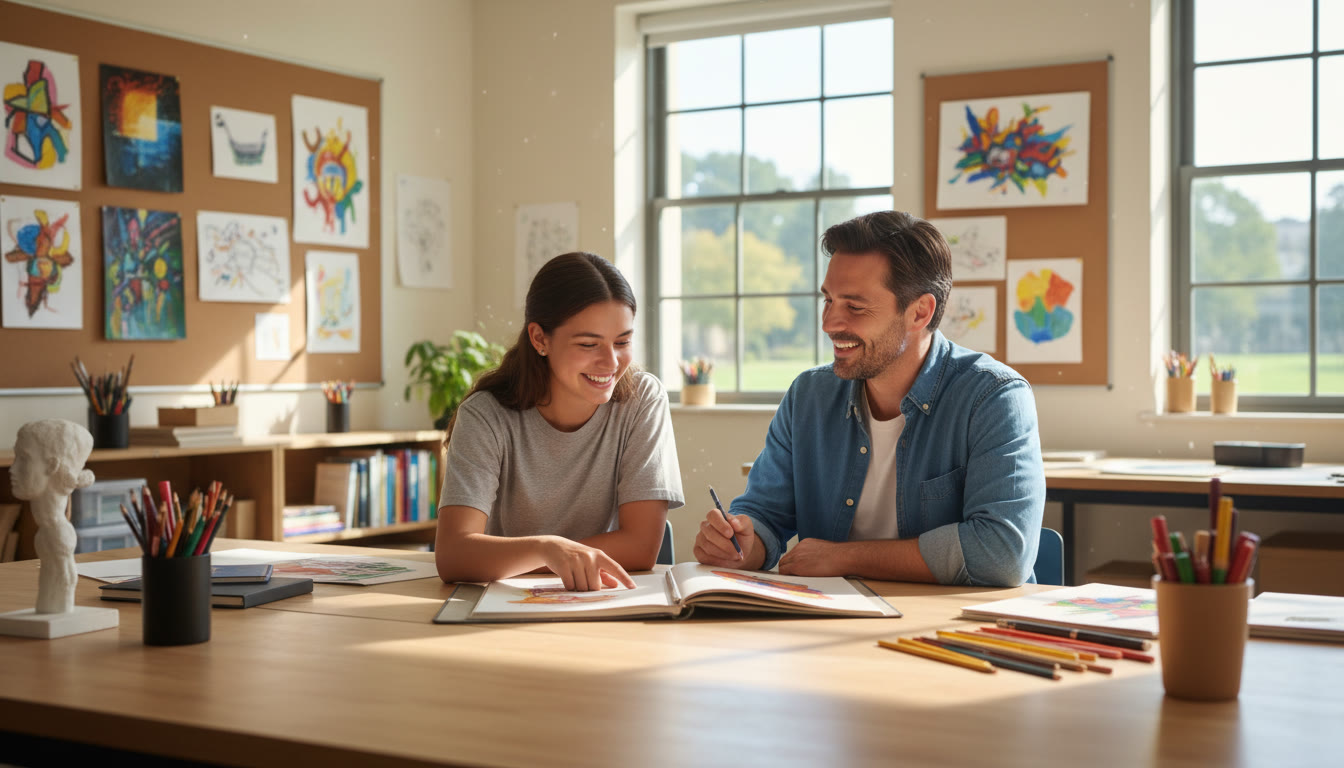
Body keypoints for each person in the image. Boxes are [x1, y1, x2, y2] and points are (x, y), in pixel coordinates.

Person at [693, 211, 1044, 587]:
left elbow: (1003, 553)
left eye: (855, 307)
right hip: (828, 625)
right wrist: (745, 542)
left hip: (952, 628)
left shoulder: (993, 398)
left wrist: (844, 558)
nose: (829, 323)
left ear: (919, 312)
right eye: (828, 300)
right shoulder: (808, 396)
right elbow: (765, 513)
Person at [435, 252, 684, 591]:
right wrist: (546, 549)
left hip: (601, 599)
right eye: (588, 344)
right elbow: (453, 555)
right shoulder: (485, 415)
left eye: (622, 342)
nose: (610, 362)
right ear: (540, 339)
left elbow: (641, 547)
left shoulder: (642, 399)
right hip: (505, 605)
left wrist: (531, 558)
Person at [9, 419, 96, 613]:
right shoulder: (47, 532)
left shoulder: (57, 534)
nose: (12, 469)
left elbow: (65, 580)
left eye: (23, 458)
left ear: (52, 465)